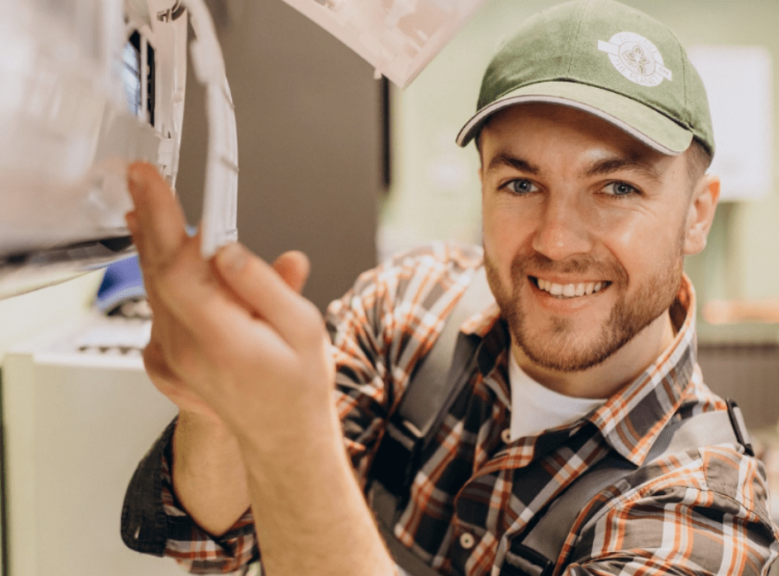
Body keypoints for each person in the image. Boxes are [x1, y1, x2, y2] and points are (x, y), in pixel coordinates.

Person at [119, 0, 779, 574]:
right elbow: (211, 539)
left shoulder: (702, 515)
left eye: (616, 188)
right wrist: (219, 408)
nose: (555, 240)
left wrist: (289, 435)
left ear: (697, 213)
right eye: (521, 184)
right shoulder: (408, 308)